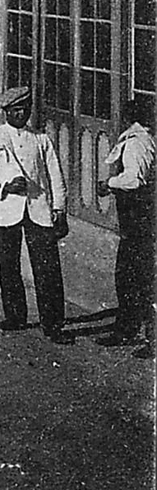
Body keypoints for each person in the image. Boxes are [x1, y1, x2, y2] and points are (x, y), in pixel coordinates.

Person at [0, 86, 72, 344]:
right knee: (8, 265)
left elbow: (56, 177)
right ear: (6, 112)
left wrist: (59, 210)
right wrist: (4, 186)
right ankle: (15, 317)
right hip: (5, 210)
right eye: (16, 110)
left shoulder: (41, 140)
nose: (21, 114)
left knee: (47, 269)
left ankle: (53, 325)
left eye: (25, 109)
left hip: (38, 210)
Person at [95, 94, 155, 351]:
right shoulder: (146, 139)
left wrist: (109, 183)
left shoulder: (135, 143)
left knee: (130, 277)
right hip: (142, 220)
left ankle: (129, 330)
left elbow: (134, 179)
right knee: (139, 277)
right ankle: (135, 329)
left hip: (137, 219)